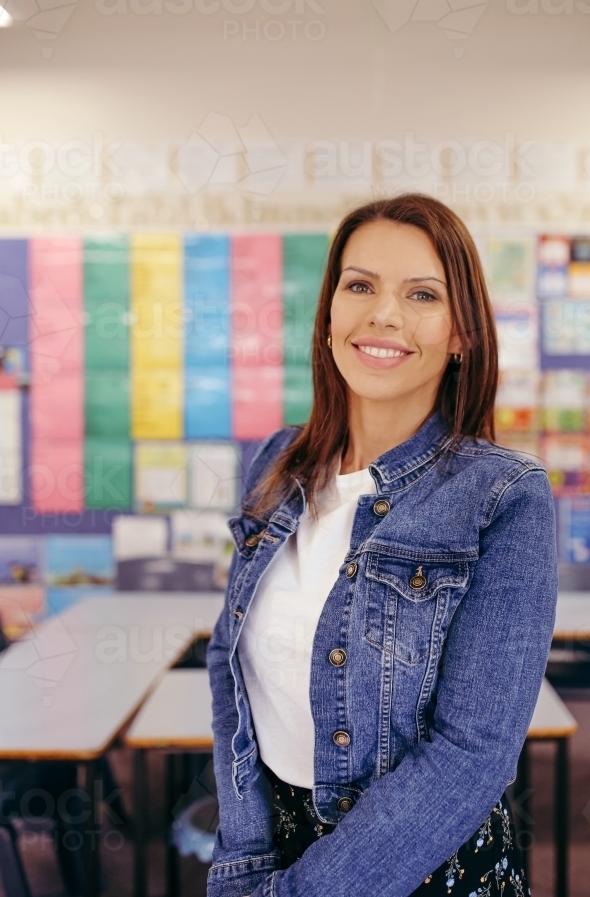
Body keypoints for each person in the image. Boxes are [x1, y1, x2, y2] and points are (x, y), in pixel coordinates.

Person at [207, 194, 557, 897]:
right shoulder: (277, 463)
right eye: (359, 285)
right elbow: (232, 679)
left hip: (424, 866)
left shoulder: (503, 496)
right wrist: (243, 863)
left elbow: (471, 756)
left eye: (421, 294)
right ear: (330, 311)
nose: (382, 315)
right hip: (273, 848)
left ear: (461, 333)